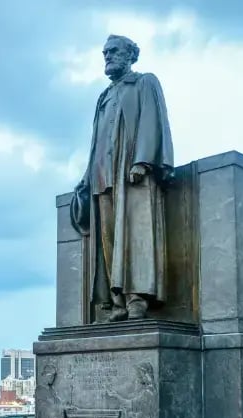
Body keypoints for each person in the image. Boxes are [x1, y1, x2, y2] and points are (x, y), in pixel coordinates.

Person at [70, 34, 174, 322]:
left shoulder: (144, 82)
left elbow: (153, 120)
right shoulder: (104, 95)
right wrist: (86, 176)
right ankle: (117, 301)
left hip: (131, 173)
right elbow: (96, 141)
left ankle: (137, 298)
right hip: (102, 176)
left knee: (136, 236)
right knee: (108, 240)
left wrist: (142, 160)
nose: (108, 56)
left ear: (130, 55)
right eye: (105, 52)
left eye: (114, 51)